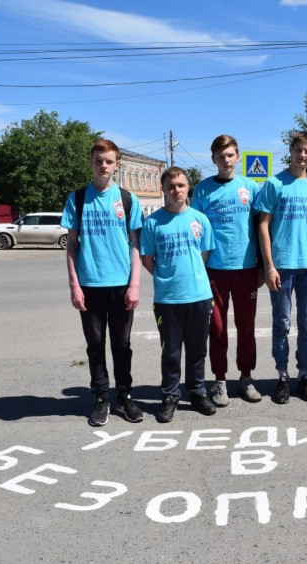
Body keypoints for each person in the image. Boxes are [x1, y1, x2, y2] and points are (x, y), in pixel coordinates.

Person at [61, 139, 144, 427]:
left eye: (109, 161)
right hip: (90, 284)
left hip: (121, 284)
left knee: (122, 345)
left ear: (117, 164)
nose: (104, 165)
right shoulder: (78, 198)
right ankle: (101, 398)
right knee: (95, 345)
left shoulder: (127, 198)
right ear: (91, 163)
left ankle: (124, 396)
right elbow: (71, 244)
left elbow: (136, 244)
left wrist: (135, 284)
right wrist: (74, 284)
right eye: (99, 160)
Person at [140, 166, 217, 423]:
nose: (176, 190)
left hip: (199, 296)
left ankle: (197, 392)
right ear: (163, 189)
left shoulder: (200, 220)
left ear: (188, 189)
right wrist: (166, 279)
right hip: (167, 300)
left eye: (181, 186)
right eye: (171, 186)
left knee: (197, 350)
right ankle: (170, 396)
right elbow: (148, 259)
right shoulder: (152, 223)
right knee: (171, 352)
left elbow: (204, 256)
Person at [192, 134, 263, 407]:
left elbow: (261, 227)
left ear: (238, 157)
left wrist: (262, 266)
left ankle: (246, 378)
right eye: (221, 156)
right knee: (217, 328)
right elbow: (195, 229)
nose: (226, 160)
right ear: (213, 159)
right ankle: (219, 381)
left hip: (245, 268)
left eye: (230, 155)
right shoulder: (203, 190)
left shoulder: (251, 187)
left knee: (246, 328)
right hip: (214, 270)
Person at [254, 131, 307, 404]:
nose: (302, 155)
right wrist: (269, 266)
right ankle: (282, 377)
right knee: (281, 324)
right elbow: (262, 225)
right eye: (298, 150)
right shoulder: (274, 183)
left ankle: (303, 375)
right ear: (290, 151)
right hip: (281, 266)